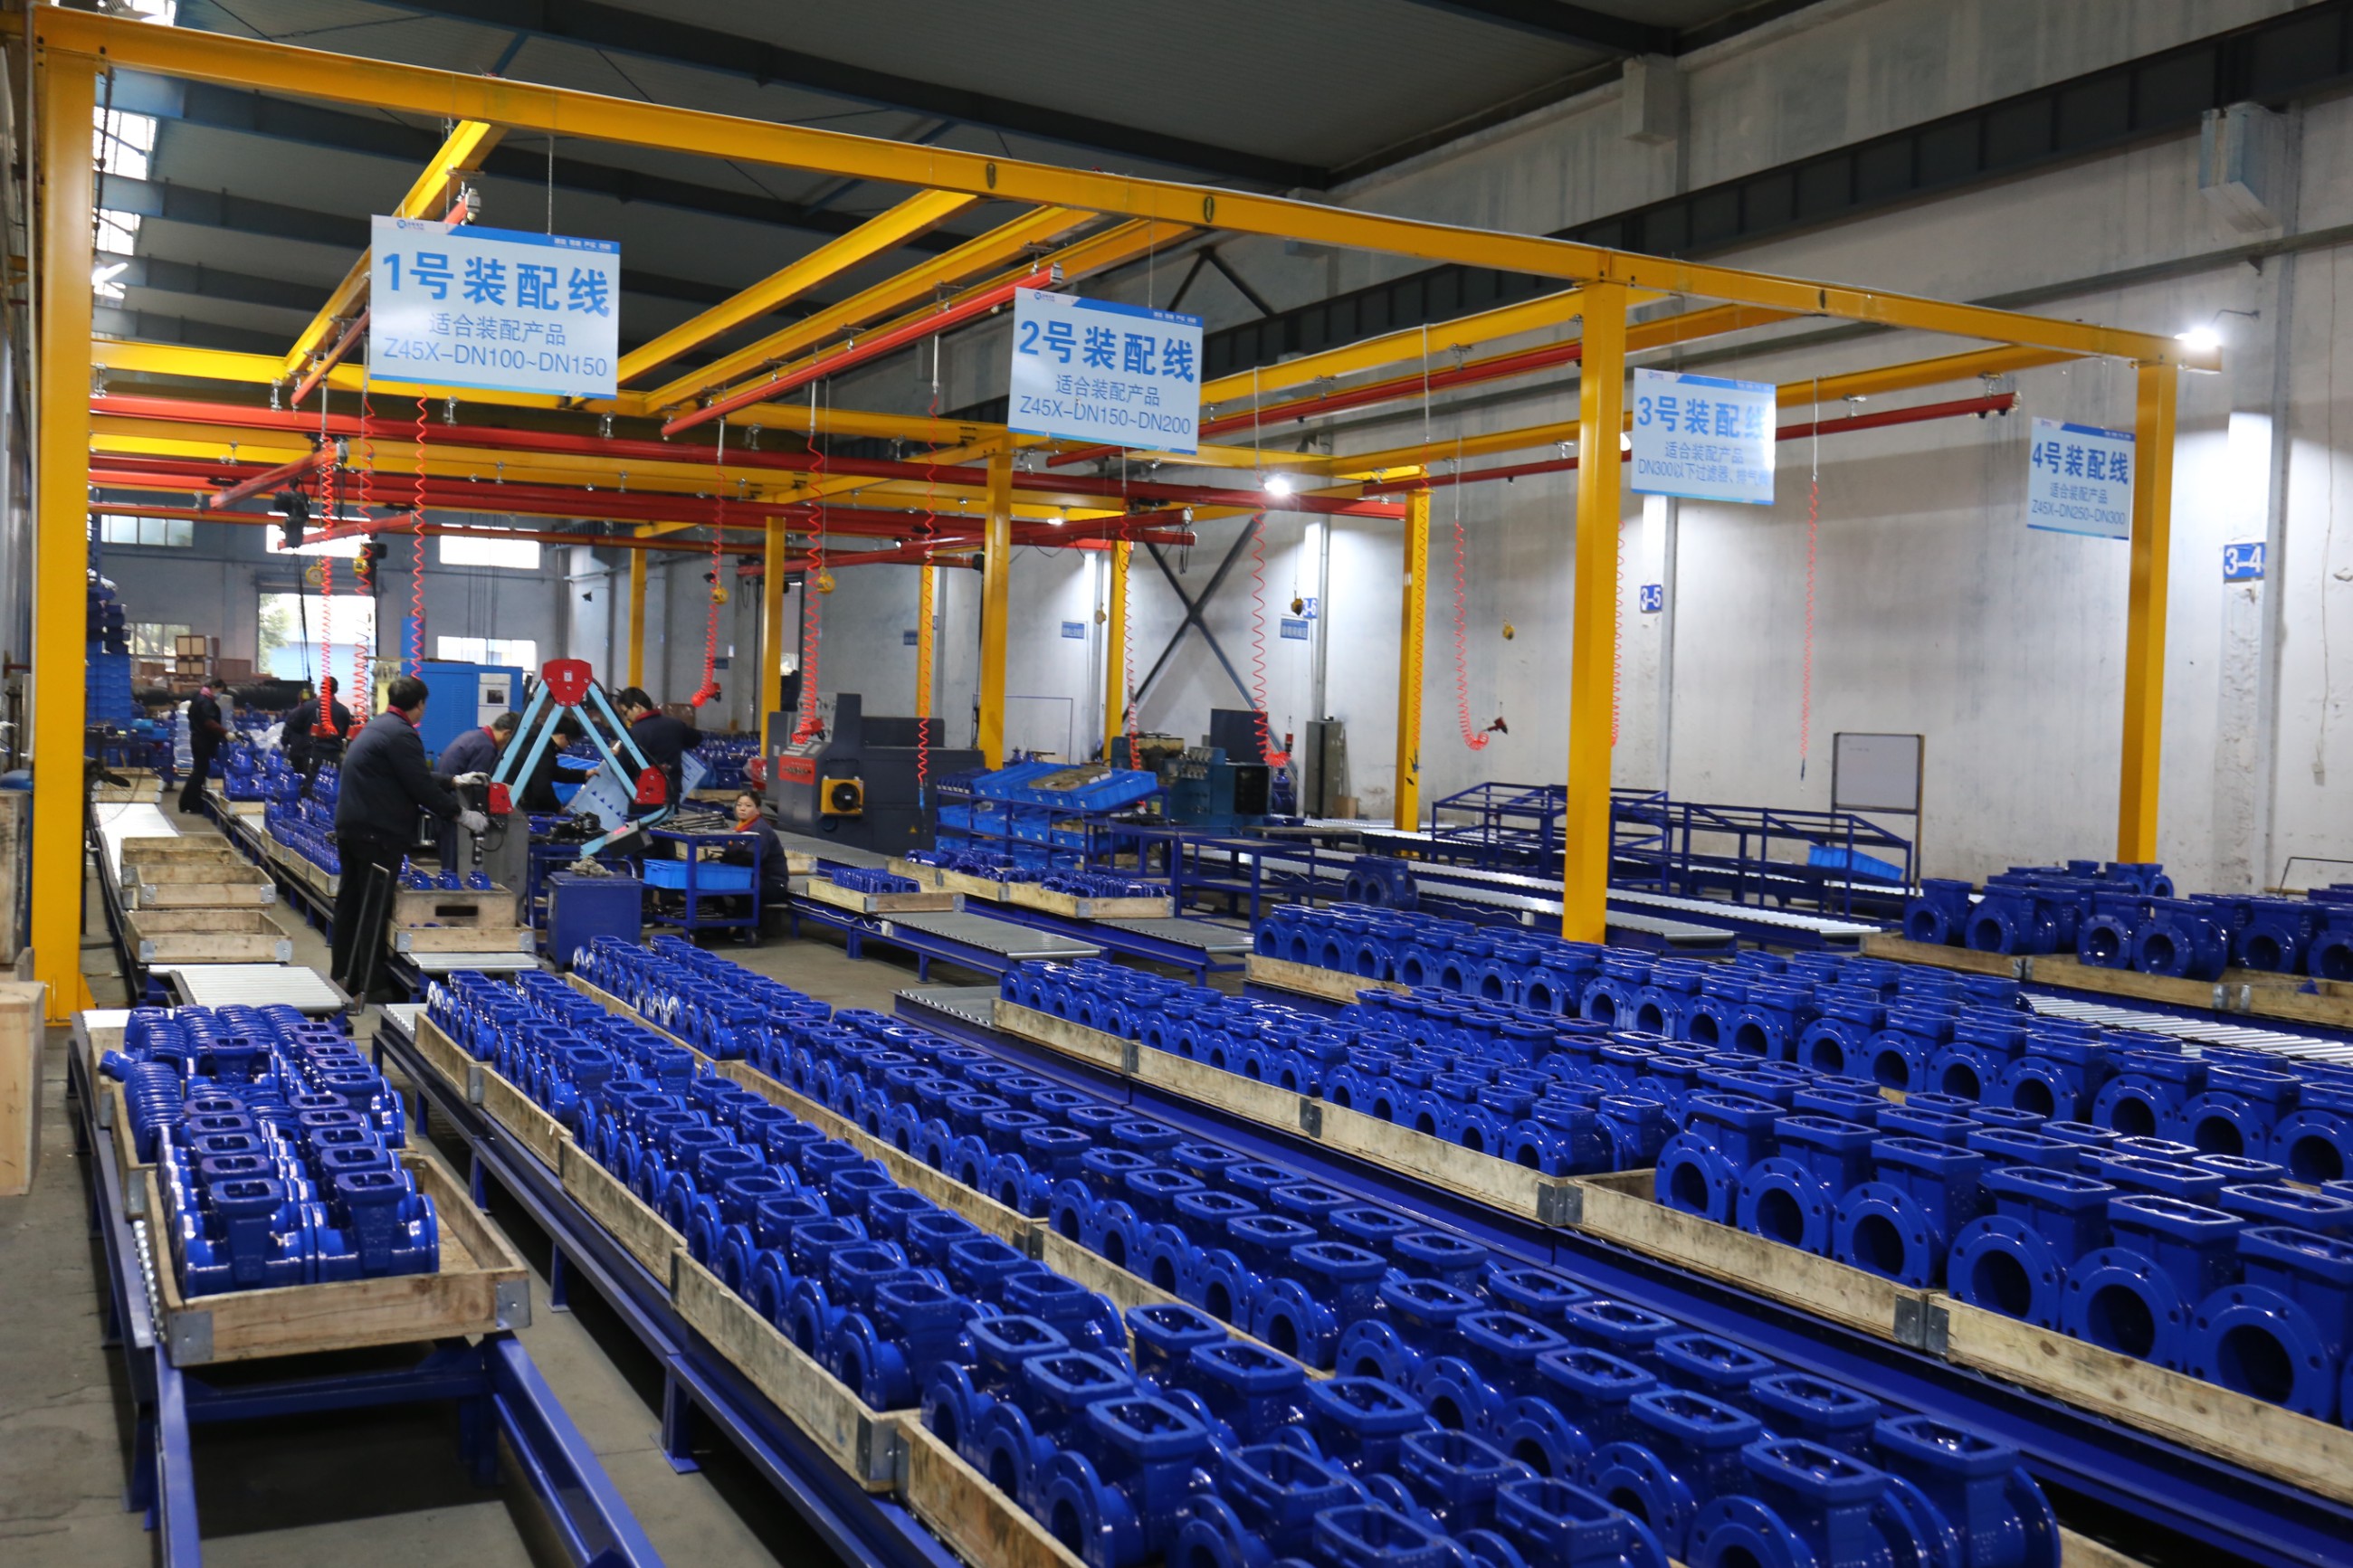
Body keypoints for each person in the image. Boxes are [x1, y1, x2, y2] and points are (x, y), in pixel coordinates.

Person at [330, 674, 486, 997]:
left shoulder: (378, 726)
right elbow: (418, 786)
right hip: (377, 833)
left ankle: (344, 975)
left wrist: (453, 781)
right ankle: (372, 986)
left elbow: (406, 773)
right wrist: (461, 815)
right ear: (420, 705)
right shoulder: (402, 734)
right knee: (374, 907)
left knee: (351, 903)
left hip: (353, 827)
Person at [615, 687, 701, 808]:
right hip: (671, 795)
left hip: (643, 798)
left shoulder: (633, 734)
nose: (627, 718)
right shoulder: (675, 725)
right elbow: (696, 739)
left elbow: (623, 768)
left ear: (636, 706)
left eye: (626, 713)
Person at [281, 676, 354, 800]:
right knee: (330, 788)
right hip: (334, 755)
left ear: (321, 688)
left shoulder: (308, 707)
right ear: (336, 690)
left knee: (310, 786)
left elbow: (292, 724)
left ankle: (309, 808)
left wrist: (305, 733)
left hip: (312, 753)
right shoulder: (344, 711)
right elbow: (347, 734)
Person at [177, 681, 228, 813]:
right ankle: (188, 803)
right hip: (203, 741)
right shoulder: (205, 702)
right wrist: (225, 733)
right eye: (220, 691)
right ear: (214, 687)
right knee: (199, 773)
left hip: (198, 739)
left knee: (198, 772)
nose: (220, 694)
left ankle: (190, 803)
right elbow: (209, 722)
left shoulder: (198, 698)